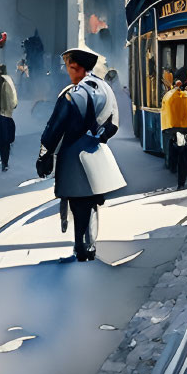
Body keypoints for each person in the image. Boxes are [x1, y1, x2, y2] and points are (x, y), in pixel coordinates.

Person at [37, 46, 127, 262]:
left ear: (75, 67)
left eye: (68, 67)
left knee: (77, 204)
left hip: (74, 156)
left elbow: (54, 127)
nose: (67, 71)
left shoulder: (72, 94)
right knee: (91, 204)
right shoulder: (105, 88)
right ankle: (90, 244)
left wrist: (44, 154)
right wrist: (99, 138)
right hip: (97, 155)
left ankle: (81, 247)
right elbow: (113, 124)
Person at [160, 70, 187, 189]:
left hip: (172, 128)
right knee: (183, 154)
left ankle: (173, 168)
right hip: (184, 128)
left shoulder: (168, 95)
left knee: (175, 150)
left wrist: (166, 128)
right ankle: (181, 182)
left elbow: (164, 112)